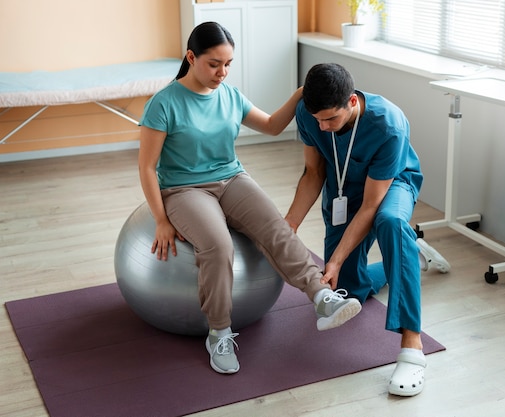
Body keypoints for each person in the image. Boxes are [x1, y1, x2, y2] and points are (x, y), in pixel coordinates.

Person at [137, 23, 361, 375]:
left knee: (276, 227)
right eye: (214, 64)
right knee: (217, 246)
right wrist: (162, 219)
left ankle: (321, 297)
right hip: (183, 189)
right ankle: (219, 332)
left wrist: (303, 93)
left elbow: (272, 125)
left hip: (231, 178)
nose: (222, 73)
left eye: (228, 64)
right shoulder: (164, 104)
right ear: (191, 57)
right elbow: (147, 167)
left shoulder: (230, 95)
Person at [284, 63, 450, 396]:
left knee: (389, 222)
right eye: (317, 119)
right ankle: (410, 259)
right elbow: (313, 175)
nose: (323, 127)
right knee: (347, 288)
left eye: (331, 119)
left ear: (352, 103)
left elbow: (372, 206)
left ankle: (412, 345)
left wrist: (334, 260)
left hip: (392, 185)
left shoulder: (388, 124)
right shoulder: (310, 113)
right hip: (344, 186)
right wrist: (287, 227)